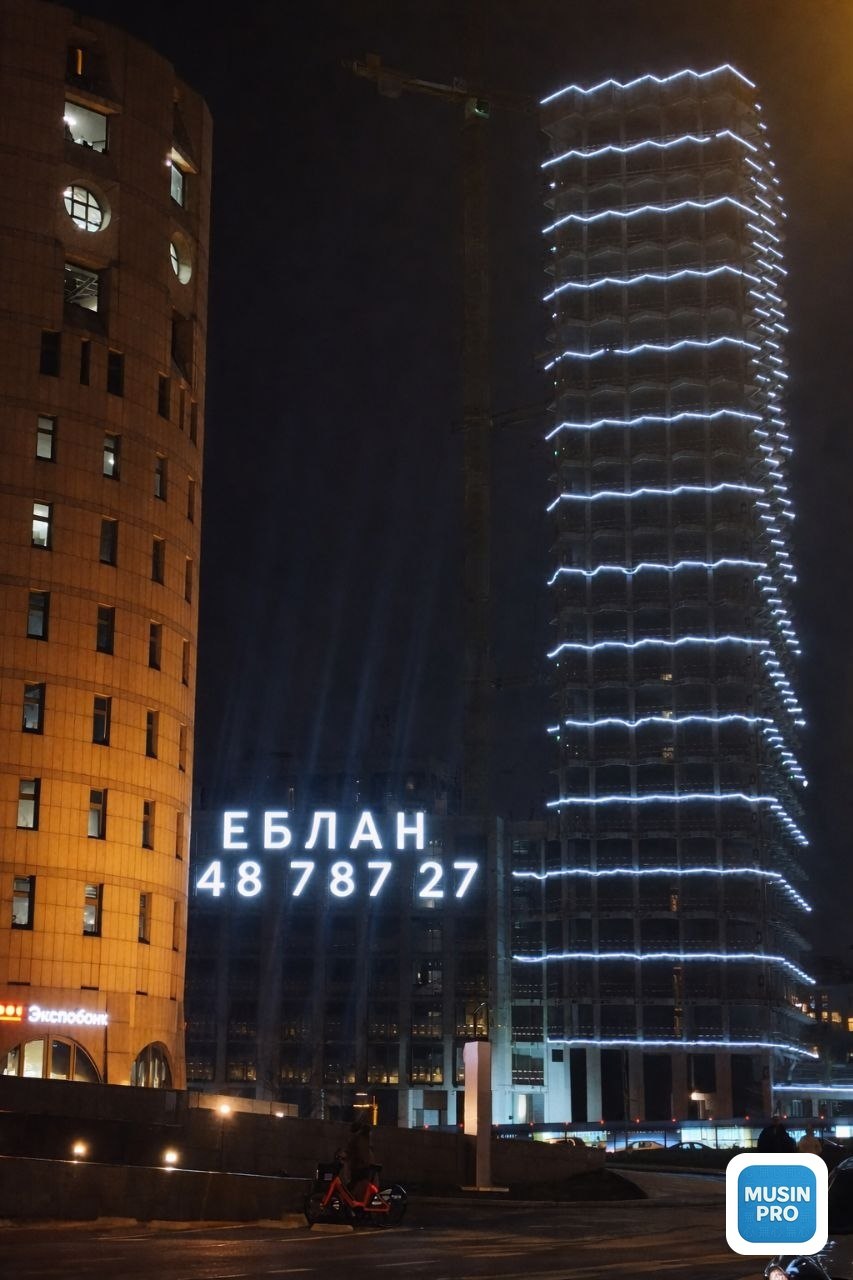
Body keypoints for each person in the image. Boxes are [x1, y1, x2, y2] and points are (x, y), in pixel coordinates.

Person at [344, 1121, 374, 1203]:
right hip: (365, 1166)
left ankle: (353, 1203)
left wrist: (347, 1157)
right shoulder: (365, 1138)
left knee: (352, 1185)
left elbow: (355, 1152)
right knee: (357, 1186)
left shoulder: (357, 1138)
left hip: (359, 1166)